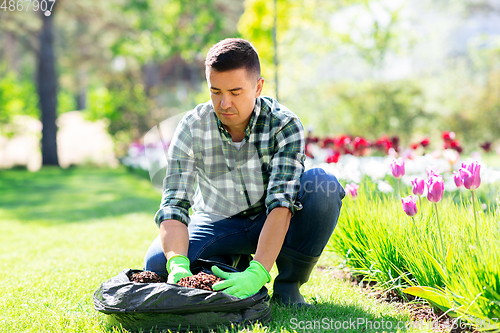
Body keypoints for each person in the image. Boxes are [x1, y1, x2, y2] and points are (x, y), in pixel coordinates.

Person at [143, 38, 344, 306]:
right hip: (218, 220)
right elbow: (174, 203)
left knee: (322, 185)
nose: (224, 103)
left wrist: (259, 272)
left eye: (235, 92)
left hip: (269, 218)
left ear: (258, 87)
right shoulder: (192, 126)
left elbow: (281, 204)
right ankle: (228, 263)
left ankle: (288, 286)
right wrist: (178, 264)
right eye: (216, 91)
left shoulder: (283, 124)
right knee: (157, 263)